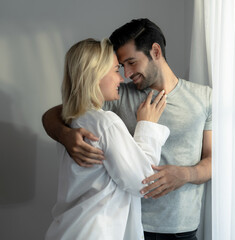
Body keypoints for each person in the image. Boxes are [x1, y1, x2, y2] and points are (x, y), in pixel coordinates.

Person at [42, 18, 212, 240]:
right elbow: (59, 113)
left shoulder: (203, 98)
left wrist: (186, 174)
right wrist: (66, 136)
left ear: (156, 51)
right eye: (120, 66)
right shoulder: (116, 94)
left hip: (181, 227)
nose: (127, 74)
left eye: (132, 62)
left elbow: (213, 159)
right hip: (131, 227)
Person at [44, 38, 170, 240]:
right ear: (94, 75)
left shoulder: (73, 120)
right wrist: (147, 125)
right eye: (115, 70)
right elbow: (143, 181)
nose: (121, 79)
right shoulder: (105, 122)